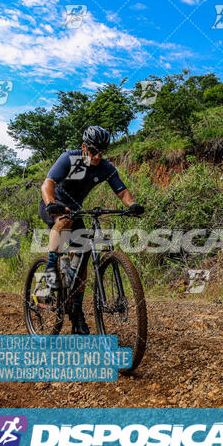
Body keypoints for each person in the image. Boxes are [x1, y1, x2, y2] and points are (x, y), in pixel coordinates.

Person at [39, 126, 144, 335]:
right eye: (94, 151)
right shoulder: (71, 159)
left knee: (84, 253)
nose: (98, 156)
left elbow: (121, 191)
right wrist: (52, 203)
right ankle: (51, 266)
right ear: (84, 147)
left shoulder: (104, 167)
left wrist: (132, 205)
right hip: (53, 204)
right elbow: (47, 184)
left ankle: (76, 312)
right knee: (65, 221)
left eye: (102, 152)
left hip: (76, 210)